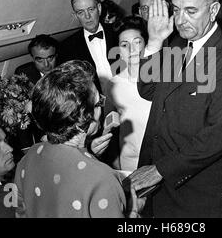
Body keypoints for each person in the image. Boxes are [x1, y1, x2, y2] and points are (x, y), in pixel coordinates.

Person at [128, 0, 222, 217]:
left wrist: (159, 170)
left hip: (194, 192)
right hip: (157, 186)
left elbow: (216, 136)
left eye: (191, 11)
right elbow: (148, 89)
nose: (181, 19)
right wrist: (154, 41)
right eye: (176, 10)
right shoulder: (176, 44)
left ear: (214, 9)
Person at [14, 60, 145, 217]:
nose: (102, 107)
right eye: (99, 103)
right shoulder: (103, 178)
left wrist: (89, 153)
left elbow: (21, 212)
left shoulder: (28, 158)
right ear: (83, 120)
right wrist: (133, 211)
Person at [108, 16, 151, 172]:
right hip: (130, 163)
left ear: (146, 44)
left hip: (160, 160)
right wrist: (115, 162)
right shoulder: (113, 85)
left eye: (137, 42)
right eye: (124, 45)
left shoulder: (163, 80)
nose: (131, 50)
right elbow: (110, 129)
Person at [59, 0, 117, 95]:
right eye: (81, 12)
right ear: (75, 16)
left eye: (91, 9)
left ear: (99, 8)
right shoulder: (68, 46)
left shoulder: (118, 32)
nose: (87, 16)